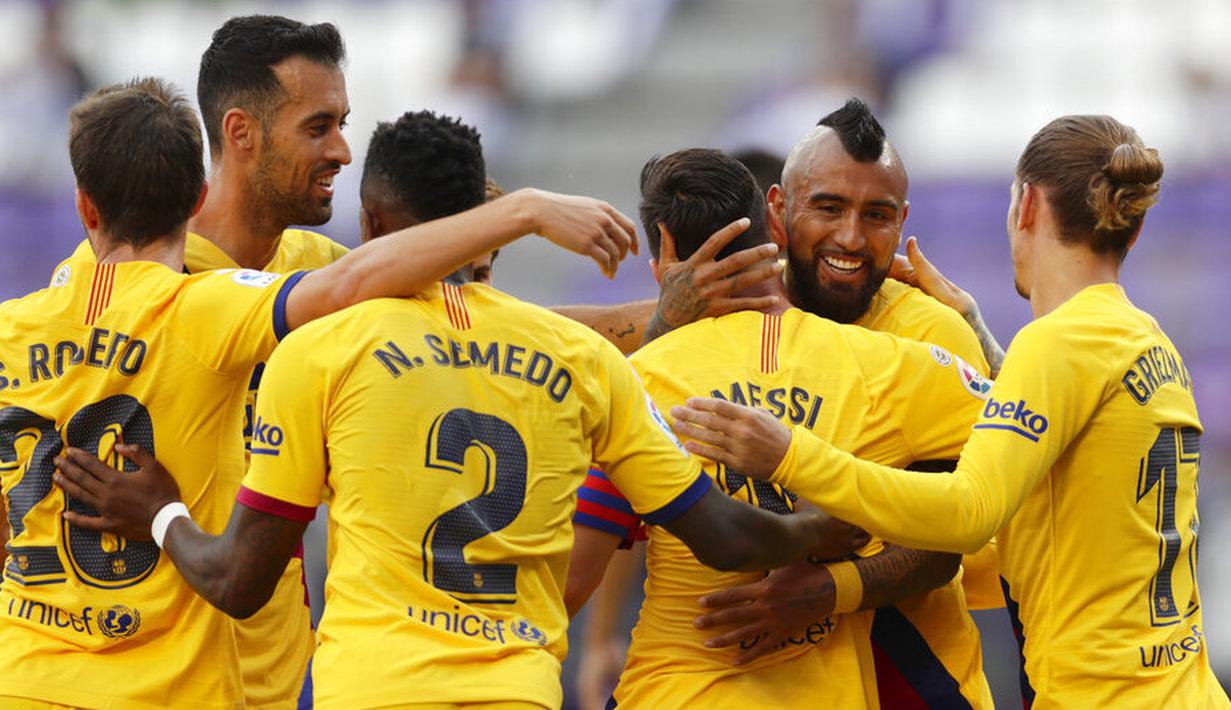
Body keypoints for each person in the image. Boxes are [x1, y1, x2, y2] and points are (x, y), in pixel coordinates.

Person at [52, 112, 864, 710]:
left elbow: (237, 580)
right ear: (484, 228)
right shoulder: (579, 359)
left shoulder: (322, 349)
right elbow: (723, 535)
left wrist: (160, 514)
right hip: (517, 688)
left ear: (372, 225)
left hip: (371, 690)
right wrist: (818, 532)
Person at [0, 76, 636, 710]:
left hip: (22, 675)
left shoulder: (12, 326)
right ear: (197, 198)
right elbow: (353, 288)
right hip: (164, 690)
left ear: (85, 206)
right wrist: (522, 212)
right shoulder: (205, 309)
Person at [671, 115, 1231, 709]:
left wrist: (791, 456)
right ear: (1133, 230)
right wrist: (976, 331)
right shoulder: (1147, 341)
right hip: (1183, 689)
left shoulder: (1057, 344)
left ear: (1026, 205)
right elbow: (1062, 435)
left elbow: (968, 511)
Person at [573, 101, 997, 708]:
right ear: (777, 212)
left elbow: (947, 535)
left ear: (902, 220)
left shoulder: (929, 332)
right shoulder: (702, 314)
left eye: (876, 215)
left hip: (910, 664)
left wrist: (830, 588)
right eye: (829, 208)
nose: (850, 237)